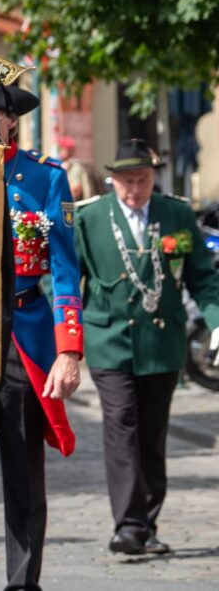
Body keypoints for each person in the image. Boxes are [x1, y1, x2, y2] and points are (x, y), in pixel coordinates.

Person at [0, 84, 83, 591]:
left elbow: (66, 269)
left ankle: (24, 583)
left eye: (9, 115)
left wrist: (68, 349)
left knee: (25, 471)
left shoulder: (45, 177)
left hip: (23, 337)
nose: (6, 123)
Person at [75, 138, 219, 555]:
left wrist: (215, 322)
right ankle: (129, 525)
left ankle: (147, 523)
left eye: (142, 180)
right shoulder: (91, 218)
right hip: (109, 339)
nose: (135, 190)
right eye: (126, 182)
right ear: (112, 181)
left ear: (153, 178)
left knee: (152, 436)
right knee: (121, 427)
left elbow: (202, 277)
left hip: (162, 342)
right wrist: (64, 334)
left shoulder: (175, 214)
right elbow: (66, 278)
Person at [57, 136, 101, 201]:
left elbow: (75, 190)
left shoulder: (75, 167)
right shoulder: (62, 166)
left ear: (67, 150)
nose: (58, 151)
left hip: (77, 206)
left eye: (59, 148)